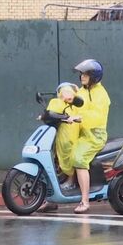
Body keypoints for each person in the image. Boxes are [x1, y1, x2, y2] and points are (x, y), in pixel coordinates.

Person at [70, 59, 111, 214]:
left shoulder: (101, 94)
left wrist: (79, 117)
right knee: (61, 152)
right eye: (81, 74)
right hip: (79, 132)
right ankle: (51, 198)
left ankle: (85, 200)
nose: (82, 76)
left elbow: (97, 117)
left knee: (79, 159)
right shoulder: (81, 91)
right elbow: (71, 105)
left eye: (86, 74)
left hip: (94, 135)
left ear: (94, 76)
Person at [37, 82, 82, 213]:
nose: (65, 93)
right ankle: (51, 199)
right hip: (59, 133)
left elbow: (69, 104)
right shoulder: (58, 103)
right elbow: (52, 114)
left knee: (68, 153)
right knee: (58, 157)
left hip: (69, 132)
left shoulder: (73, 104)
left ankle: (71, 180)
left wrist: (69, 117)